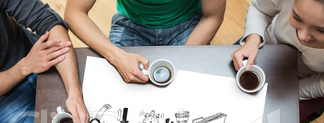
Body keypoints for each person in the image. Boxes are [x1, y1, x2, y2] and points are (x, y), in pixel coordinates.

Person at [231, 0, 324, 121]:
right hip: (264, 48)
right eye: (297, 17)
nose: (302, 36)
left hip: (308, 82)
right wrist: (253, 39)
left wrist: (292, 92)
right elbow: (260, 8)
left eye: (321, 30)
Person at [64, 0, 226, 83]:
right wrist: (117, 57)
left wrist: (184, 60)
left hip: (186, 24)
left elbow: (212, 17)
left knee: (191, 87)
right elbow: (74, 13)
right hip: (131, 24)